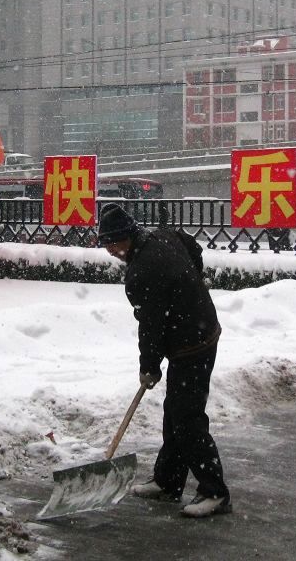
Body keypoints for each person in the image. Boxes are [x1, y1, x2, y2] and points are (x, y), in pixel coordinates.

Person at [97, 202, 231, 518]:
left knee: (186, 418)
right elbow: (193, 248)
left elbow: (151, 326)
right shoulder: (163, 236)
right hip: (200, 329)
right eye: (106, 245)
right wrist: (191, 286)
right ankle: (168, 481)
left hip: (193, 344)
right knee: (175, 412)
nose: (110, 251)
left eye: (112, 244)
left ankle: (215, 492)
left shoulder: (141, 272)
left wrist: (149, 366)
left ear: (126, 237)